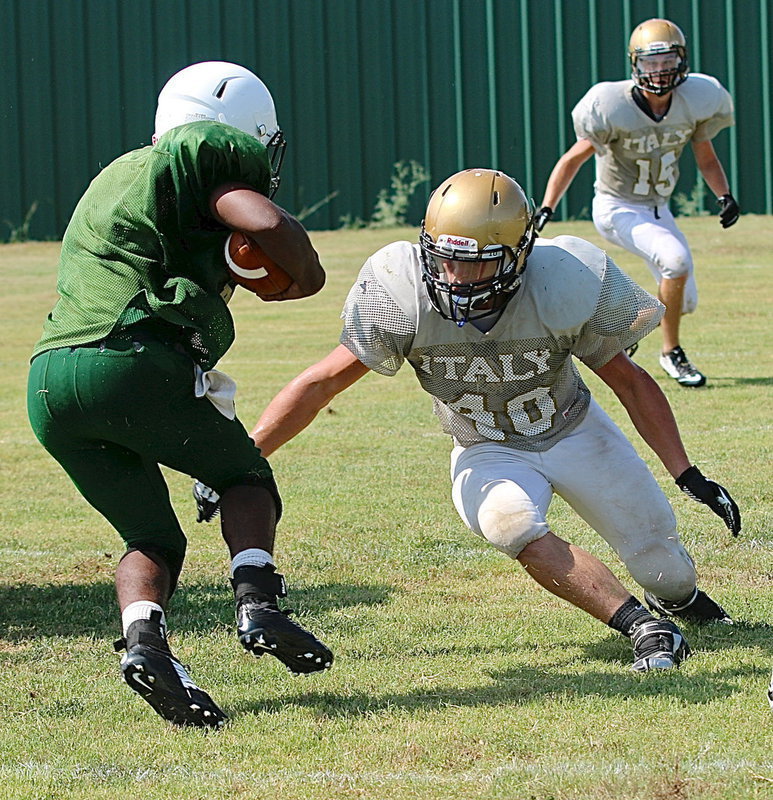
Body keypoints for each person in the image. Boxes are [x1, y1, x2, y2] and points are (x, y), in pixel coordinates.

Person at [199, 168, 742, 674]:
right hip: (484, 446)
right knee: (511, 523)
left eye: (478, 261)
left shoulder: (563, 280)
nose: (456, 276)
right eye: (445, 258)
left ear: (522, 252)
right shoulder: (402, 290)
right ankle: (642, 626)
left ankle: (677, 601)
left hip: (574, 429)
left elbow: (629, 381)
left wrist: (686, 473)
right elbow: (320, 384)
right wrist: (237, 460)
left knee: (667, 571)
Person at [26, 61, 333, 729]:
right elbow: (254, 214)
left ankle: (145, 645)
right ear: (238, 129)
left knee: (151, 536)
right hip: (128, 360)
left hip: (51, 382)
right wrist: (304, 270)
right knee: (243, 474)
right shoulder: (201, 156)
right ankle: (258, 600)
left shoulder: (119, 174)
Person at [535, 18, 738, 388]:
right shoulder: (611, 104)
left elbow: (706, 156)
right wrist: (547, 206)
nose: (659, 71)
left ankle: (624, 325)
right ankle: (671, 352)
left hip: (659, 209)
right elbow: (573, 159)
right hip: (617, 206)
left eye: (666, 61)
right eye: (650, 62)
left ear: (682, 60)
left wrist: (724, 194)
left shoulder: (697, 98)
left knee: (681, 300)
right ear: (635, 64)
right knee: (675, 261)